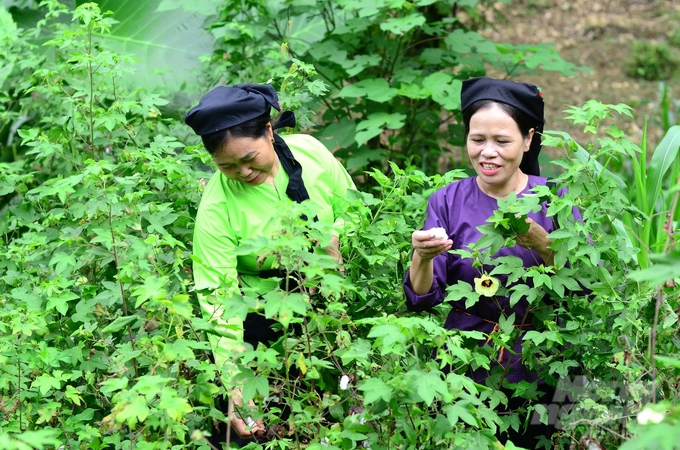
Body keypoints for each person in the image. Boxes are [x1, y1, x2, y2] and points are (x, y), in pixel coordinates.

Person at [403, 77, 581, 447]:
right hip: (468, 361)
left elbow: (586, 282)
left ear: (528, 139)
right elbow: (423, 298)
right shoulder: (446, 202)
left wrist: (540, 241)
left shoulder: (555, 198)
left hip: (546, 360)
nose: (488, 152)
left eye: (502, 141)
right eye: (477, 139)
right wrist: (421, 257)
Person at [184, 84, 355, 446]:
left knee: (332, 416)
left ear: (269, 130)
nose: (243, 172)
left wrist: (337, 236)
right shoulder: (216, 207)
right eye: (226, 166)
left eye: (249, 158)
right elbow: (218, 298)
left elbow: (356, 208)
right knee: (248, 427)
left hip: (328, 302)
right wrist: (235, 382)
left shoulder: (311, 152)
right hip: (258, 320)